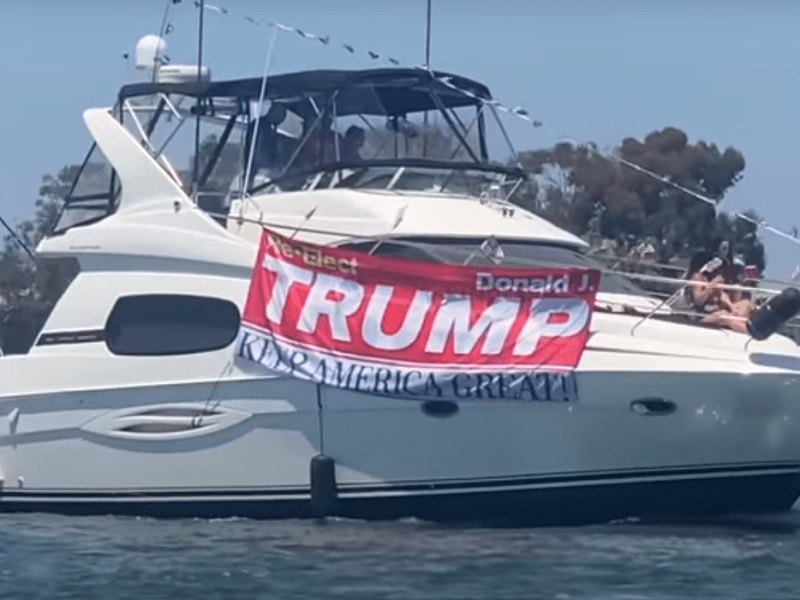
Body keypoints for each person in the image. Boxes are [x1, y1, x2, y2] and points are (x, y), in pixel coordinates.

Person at [683, 238, 755, 334]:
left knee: (746, 305)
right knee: (724, 316)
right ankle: (751, 334)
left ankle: (758, 329)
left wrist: (732, 306)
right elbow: (698, 300)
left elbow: (722, 295)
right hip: (701, 314)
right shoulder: (698, 277)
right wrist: (712, 286)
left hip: (718, 309)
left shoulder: (720, 277)